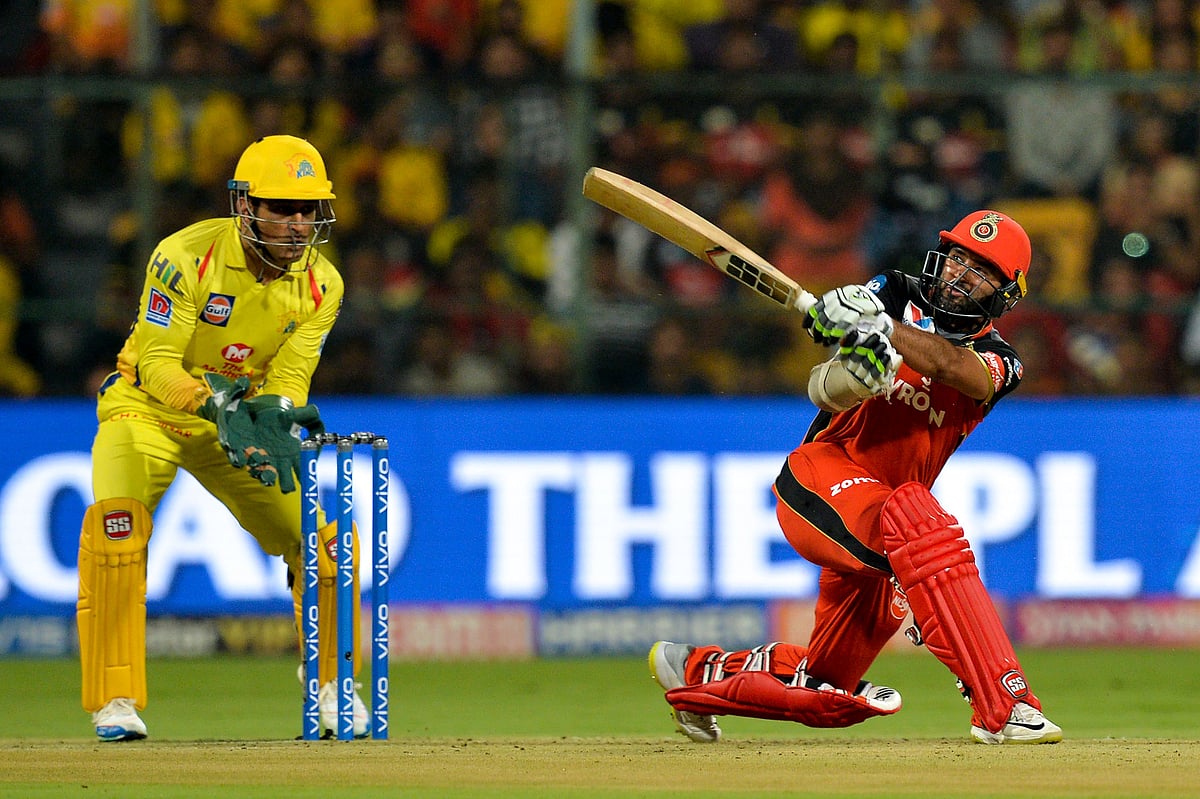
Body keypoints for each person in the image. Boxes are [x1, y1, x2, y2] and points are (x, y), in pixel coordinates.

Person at [648, 210, 1063, 745]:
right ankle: (1006, 707)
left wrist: (883, 329)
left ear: (1006, 294)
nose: (960, 274)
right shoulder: (892, 289)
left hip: (883, 527)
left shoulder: (1001, 360)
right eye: (958, 257)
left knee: (827, 687)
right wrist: (857, 373)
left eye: (980, 271)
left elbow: (953, 369)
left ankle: (701, 672)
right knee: (918, 512)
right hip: (823, 477)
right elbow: (824, 389)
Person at [76, 134, 369, 741]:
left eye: (306, 209)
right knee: (117, 528)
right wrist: (218, 402)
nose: (295, 224)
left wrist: (277, 415)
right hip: (148, 409)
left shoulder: (324, 285)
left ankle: (334, 687)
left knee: (325, 540)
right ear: (245, 207)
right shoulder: (184, 256)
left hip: (239, 422)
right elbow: (158, 361)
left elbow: (290, 376)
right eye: (281, 207)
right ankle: (115, 700)